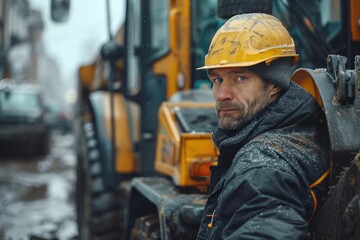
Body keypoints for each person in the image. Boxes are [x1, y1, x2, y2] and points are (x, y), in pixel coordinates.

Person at [196, 13, 329, 239]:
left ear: (274, 86)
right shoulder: (302, 129)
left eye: (240, 78)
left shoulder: (261, 166)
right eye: (217, 80)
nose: (222, 94)